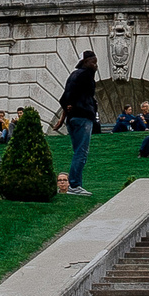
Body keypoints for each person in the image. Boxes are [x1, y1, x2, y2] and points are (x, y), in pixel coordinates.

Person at [51, 51, 99, 197]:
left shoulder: (74, 76)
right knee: (81, 152)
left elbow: (65, 97)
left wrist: (63, 115)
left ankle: (74, 184)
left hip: (73, 119)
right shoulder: (85, 75)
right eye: (93, 62)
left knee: (78, 151)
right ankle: (75, 184)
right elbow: (69, 98)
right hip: (82, 117)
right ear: (85, 62)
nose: (95, 66)